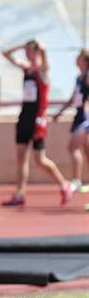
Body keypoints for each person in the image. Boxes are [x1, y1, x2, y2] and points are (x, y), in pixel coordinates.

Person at [2, 40, 72, 206]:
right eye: (26, 51)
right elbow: (5, 54)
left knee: (39, 159)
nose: (27, 54)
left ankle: (64, 184)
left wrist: (42, 51)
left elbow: (44, 65)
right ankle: (20, 193)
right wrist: (22, 46)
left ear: (38, 52)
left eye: (30, 51)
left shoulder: (43, 71)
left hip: (37, 119)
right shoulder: (27, 69)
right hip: (24, 117)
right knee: (21, 157)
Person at [53, 49, 89, 192]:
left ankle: (77, 180)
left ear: (84, 60)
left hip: (86, 117)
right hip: (79, 115)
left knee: (73, 147)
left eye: (79, 57)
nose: (75, 59)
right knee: (86, 151)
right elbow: (72, 99)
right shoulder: (79, 78)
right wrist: (59, 113)